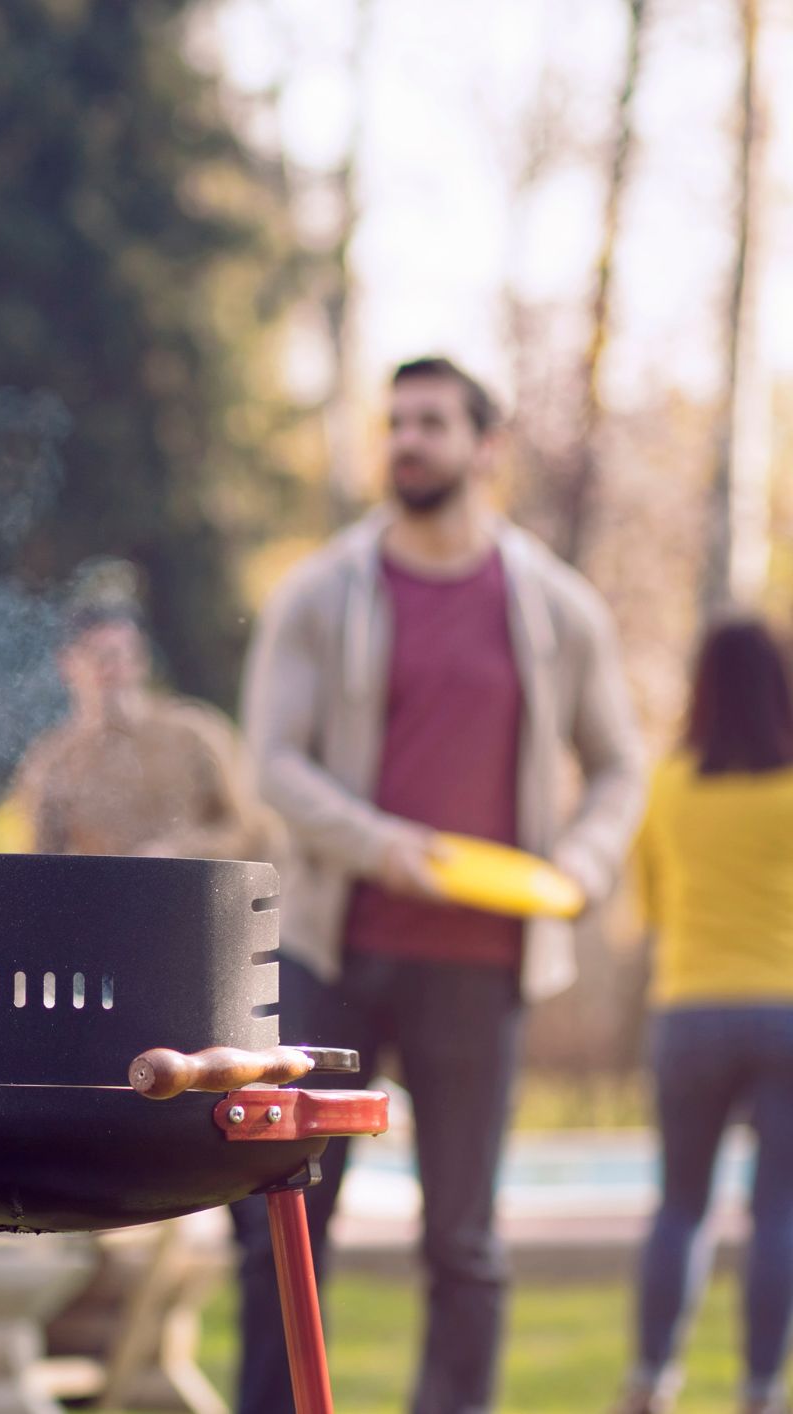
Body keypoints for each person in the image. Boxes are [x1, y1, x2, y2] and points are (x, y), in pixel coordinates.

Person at [236, 355, 645, 1414]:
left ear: (484, 446)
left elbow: (618, 765)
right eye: (395, 422)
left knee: (462, 1241)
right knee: (284, 1221)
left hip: (480, 961)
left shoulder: (554, 604)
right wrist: (381, 844)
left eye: (430, 422)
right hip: (329, 948)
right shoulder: (320, 591)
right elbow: (272, 759)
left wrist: (583, 869)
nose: (405, 440)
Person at [618, 619, 793, 1414]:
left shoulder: (667, 786)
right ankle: (760, 1391)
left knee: (680, 1204)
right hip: (785, 1013)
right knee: (780, 1210)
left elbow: (648, 908)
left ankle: (652, 1382)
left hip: (689, 1011)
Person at [12, 567, 271, 861]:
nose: (110, 666)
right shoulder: (52, 763)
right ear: (67, 664)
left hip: (194, 900)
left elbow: (248, 830)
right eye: (96, 655)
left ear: (141, 657)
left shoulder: (196, 735)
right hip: (105, 905)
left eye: (120, 652)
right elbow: (40, 866)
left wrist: (178, 853)